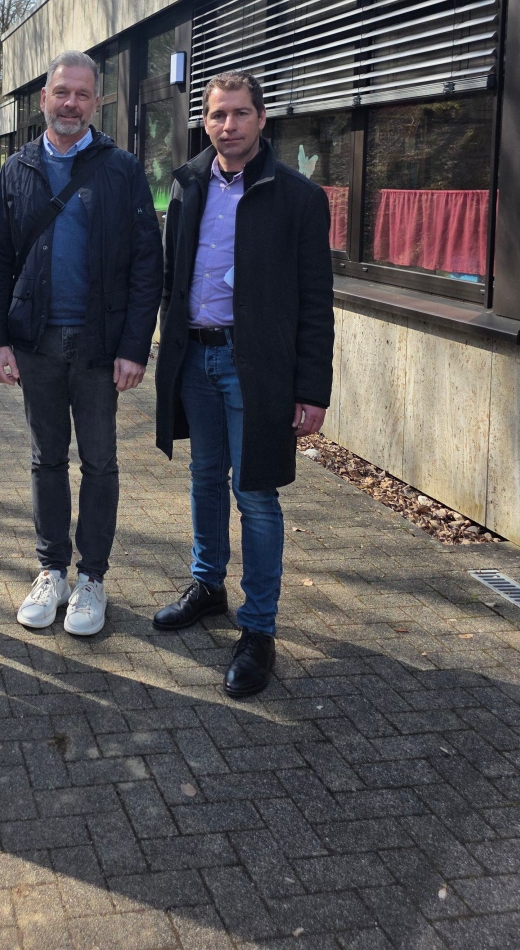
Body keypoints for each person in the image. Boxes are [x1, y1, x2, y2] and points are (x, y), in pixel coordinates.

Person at [153, 71, 334, 697]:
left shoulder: (297, 197)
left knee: (255, 493)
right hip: (194, 360)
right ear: (204, 121)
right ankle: (208, 585)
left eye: (238, 113)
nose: (227, 125)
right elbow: (173, 278)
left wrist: (312, 390)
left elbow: (316, 302)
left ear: (261, 118)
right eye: (216, 114)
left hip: (255, 367)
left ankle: (258, 628)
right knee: (205, 475)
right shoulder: (188, 185)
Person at [0, 50, 162, 637]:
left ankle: (92, 579)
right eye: (62, 92)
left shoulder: (121, 169)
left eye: (83, 94)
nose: (71, 104)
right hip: (34, 343)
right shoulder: (17, 169)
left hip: (99, 348)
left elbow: (147, 265)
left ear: (96, 102)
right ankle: (51, 571)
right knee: (46, 459)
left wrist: (135, 346)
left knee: (100, 461)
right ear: (43, 99)